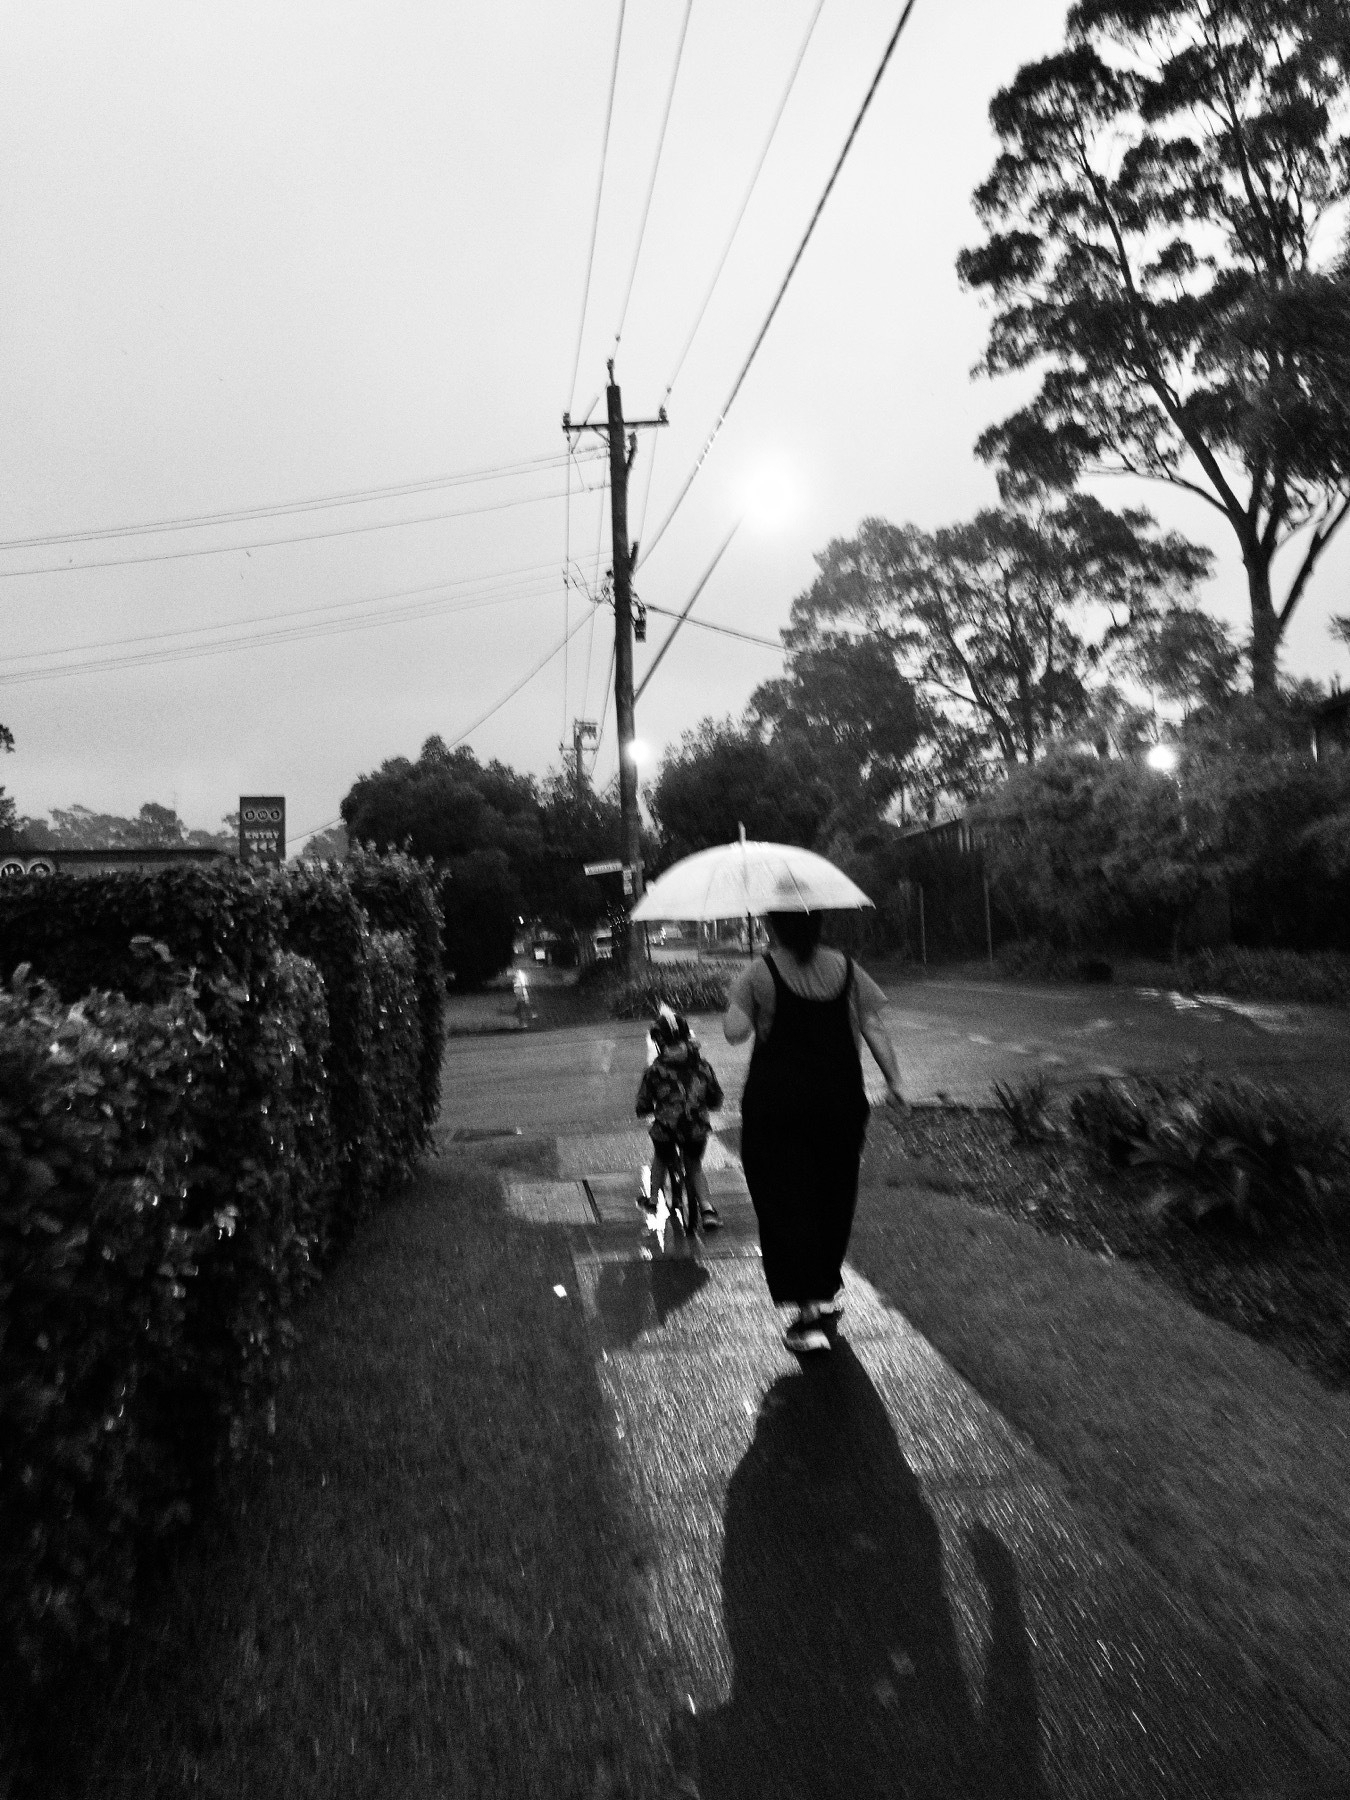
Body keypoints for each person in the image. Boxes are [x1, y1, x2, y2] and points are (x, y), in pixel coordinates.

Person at [723, 910, 906, 1353]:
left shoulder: (758, 973)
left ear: (772, 927)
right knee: (832, 1195)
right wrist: (895, 1082)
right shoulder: (846, 968)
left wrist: (737, 996)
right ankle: (820, 1293)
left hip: (777, 1110)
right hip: (838, 1105)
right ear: (817, 924)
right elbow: (874, 1026)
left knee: (784, 1200)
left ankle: (807, 1316)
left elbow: (734, 1033)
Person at [636, 1006, 725, 1230]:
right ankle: (706, 1210)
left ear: (659, 1042)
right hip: (696, 1130)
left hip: (667, 1130)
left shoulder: (655, 1071)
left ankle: (654, 1200)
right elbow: (715, 1099)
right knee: (694, 1165)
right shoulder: (703, 1066)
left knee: (662, 1155)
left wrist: (645, 1109)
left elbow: (644, 1103)